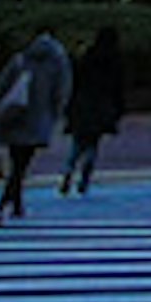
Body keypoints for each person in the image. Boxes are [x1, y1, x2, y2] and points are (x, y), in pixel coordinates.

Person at [0, 26, 72, 223]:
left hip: (13, 116)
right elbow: (62, 91)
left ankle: (16, 203)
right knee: (22, 165)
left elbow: (1, 85)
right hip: (38, 117)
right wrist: (56, 113)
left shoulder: (21, 58)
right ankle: (3, 203)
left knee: (16, 161)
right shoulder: (58, 62)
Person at [60, 24, 129, 194]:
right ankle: (85, 177)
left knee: (77, 143)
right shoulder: (115, 60)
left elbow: (74, 81)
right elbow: (118, 87)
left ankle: (68, 171)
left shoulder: (87, 56)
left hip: (82, 103)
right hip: (102, 105)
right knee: (93, 144)